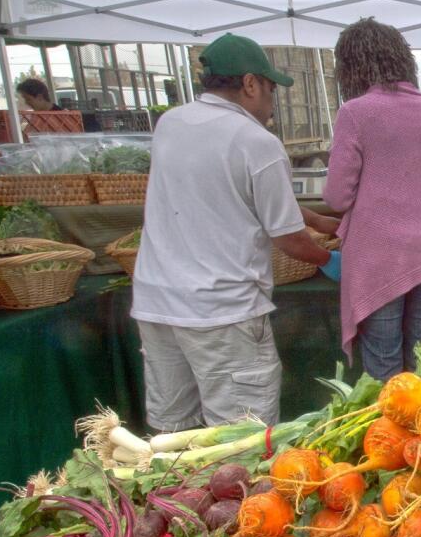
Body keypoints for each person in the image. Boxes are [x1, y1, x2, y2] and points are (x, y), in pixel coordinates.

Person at [130, 33, 338, 432]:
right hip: (221, 310)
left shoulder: (170, 123)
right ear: (249, 83)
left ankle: (174, 494)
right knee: (240, 436)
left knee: (174, 433)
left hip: (157, 302)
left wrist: (316, 220)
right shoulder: (257, 141)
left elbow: (225, 191)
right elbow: (287, 240)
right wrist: (330, 259)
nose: (272, 100)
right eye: (270, 88)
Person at [324, 19, 421, 379]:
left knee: (384, 362)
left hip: (379, 252)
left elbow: (337, 197)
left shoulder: (354, 112)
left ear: (351, 67)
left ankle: (389, 433)